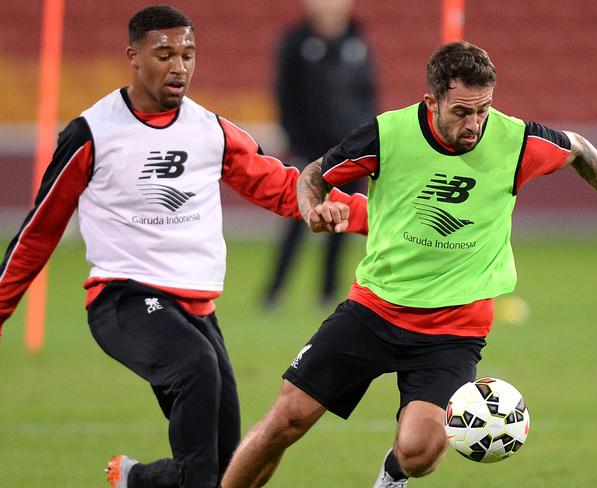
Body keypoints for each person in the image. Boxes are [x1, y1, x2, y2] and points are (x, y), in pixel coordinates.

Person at [220, 41, 597, 488]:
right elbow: (314, 174)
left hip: (453, 329)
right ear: (432, 101)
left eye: (483, 109)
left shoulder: (517, 140)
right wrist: (313, 209)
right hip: (375, 308)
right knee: (287, 419)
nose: (475, 124)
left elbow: (579, 149)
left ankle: (391, 476)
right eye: (462, 111)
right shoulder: (387, 135)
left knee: (419, 452)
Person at [0, 5, 367, 488]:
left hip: (194, 310)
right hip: (123, 298)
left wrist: (367, 218)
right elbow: (39, 230)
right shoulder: (93, 134)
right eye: (165, 54)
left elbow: (281, 186)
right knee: (196, 370)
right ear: (133, 57)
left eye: (188, 54)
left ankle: (134, 480)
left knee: (225, 467)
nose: (179, 67)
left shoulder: (210, 130)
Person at [264, 0, 376, 308]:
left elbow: (366, 92)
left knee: (344, 218)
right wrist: (296, 141)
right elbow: (285, 94)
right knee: (297, 217)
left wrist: (365, 140)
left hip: (349, 149)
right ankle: (274, 292)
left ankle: (327, 293)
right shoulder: (296, 41)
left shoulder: (357, 39)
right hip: (309, 148)